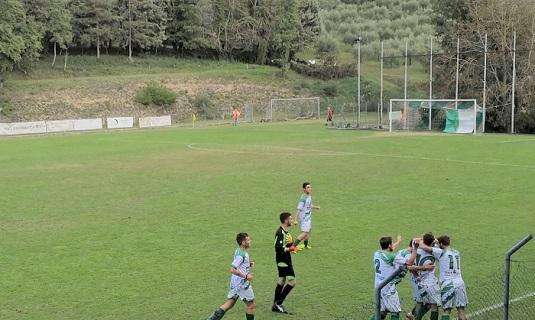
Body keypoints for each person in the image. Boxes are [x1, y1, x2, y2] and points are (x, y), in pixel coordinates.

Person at [207, 233, 256, 320]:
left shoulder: (239, 250)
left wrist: (248, 264)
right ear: (243, 242)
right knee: (251, 305)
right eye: (248, 240)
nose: (250, 241)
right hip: (242, 284)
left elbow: (239, 265)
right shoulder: (242, 254)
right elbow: (232, 269)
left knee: (230, 303)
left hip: (235, 282)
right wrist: (246, 276)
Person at [419, 235, 468, 320]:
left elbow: (423, 247)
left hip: (448, 283)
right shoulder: (456, 252)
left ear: (441, 244)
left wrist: (422, 241)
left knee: (446, 311)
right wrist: (438, 242)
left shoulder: (440, 252)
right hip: (460, 282)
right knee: (461, 310)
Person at [371, 235, 403, 320]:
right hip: (388, 288)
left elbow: (389, 251)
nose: (393, 244)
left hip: (378, 287)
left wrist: (398, 242)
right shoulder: (392, 256)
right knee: (395, 312)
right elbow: (408, 263)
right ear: (389, 245)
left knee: (382, 312)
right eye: (392, 243)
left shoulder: (377, 253)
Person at [273, 212, 298, 314]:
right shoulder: (280, 232)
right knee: (292, 282)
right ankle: (278, 304)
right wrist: (289, 249)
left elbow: (288, 245)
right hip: (283, 260)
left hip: (285, 259)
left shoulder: (286, 232)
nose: (292, 221)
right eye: (290, 219)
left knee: (282, 280)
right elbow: (277, 248)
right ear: (285, 221)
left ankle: (276, 305)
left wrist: (294, 247)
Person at [413, 233, 442, 320]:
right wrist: (435, 240)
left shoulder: (416, 250)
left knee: (425, 304)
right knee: (434, 306)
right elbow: (439, 245)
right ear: (432, 242)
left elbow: (415, 239)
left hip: (420, 282)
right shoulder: (435, 250)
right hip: (431, 283)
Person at [293, 182, 320, 250]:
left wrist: (315, 207)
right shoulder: (303, 199)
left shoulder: (309, 196)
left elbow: (309, 205)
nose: (310, 188)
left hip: (308, 217)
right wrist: (295, 220)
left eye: (310, 187)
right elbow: (298, 209)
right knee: (305, 233)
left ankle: (305, 245)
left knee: (308, 232)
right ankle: (292, 247)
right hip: (304, 218)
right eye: (308, 187)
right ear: (304, 189)